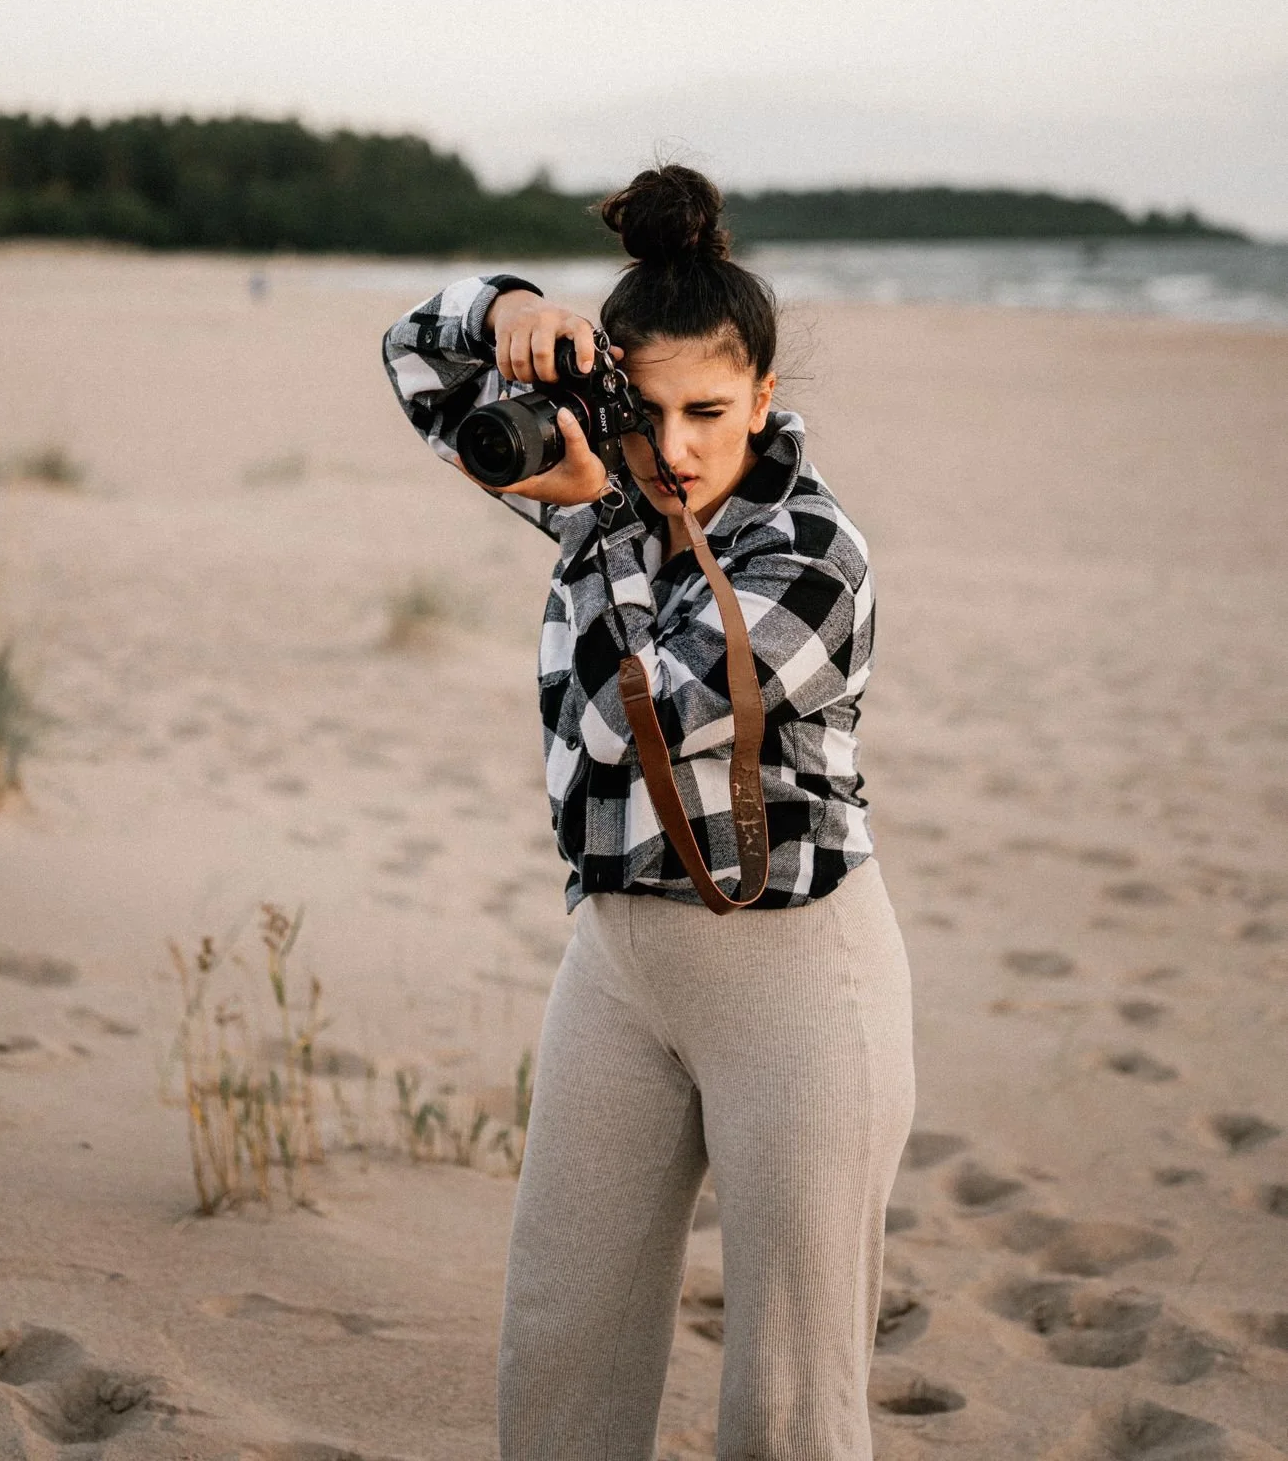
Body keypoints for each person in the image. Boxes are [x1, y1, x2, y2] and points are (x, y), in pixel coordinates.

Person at [383, 164, 914, 1461]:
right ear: (614, 395)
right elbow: (414, 362)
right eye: (650, 411)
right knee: (560, 1341)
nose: (674, 450)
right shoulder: (607, 478)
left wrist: (602, 528)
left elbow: (646, 725)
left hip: (794, 982)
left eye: (710, 413)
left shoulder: (813, 551)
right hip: (617, 964)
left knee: (787, 1402)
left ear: (763, 398)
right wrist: (509, 313)